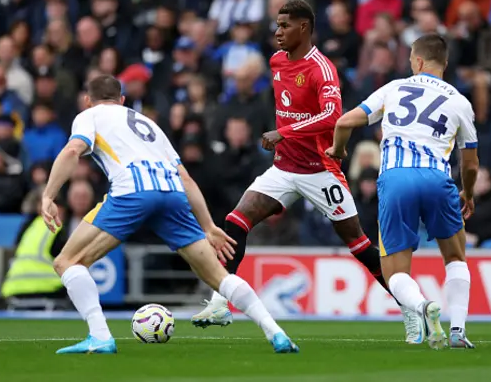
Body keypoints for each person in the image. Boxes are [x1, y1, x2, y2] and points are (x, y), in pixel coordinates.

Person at [191, 0, 424, 344]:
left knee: (358, 245)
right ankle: (220, 302)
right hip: (283, 169)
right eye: (277, 25)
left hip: (321, 170)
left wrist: (282, 132)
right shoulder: (275, 62)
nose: (278, 32)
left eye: (285, 25)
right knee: (235, 222)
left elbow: (332, 117)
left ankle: (409, 309)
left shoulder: (322, 69)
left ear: (304, 28)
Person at [41, 75, 299, 354]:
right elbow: (185, 178)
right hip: (172, 196)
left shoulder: (89, 115)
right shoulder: (148, 124)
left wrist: (49, 195)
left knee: (67, 261)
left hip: (133, 193)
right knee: (217, 276)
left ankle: (100, 336)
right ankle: (277, 333)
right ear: (123, 100)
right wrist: (209, 226)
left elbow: (72, 150)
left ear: (87, 100)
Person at [327, 34, 479, 349]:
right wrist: (469, 192)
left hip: (396, 178)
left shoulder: (394, 88)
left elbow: (344, 122)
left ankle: (424, 307)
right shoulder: (460, 101)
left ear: (419, 61)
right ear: (445, 63)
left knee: (394, 271)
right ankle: (458, 332)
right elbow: (471, 162)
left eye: (411, 58)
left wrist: (338, 151)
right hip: (438, 178)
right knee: (455, 255)